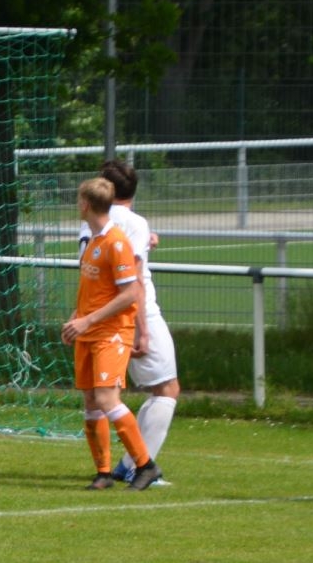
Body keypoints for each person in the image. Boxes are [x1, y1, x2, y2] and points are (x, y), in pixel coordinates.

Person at [79, 161, 178, 485]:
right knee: (165, 388)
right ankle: (139, 465)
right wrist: (143, 330)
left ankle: (116, 468)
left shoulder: (92, 227)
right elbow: (132, 282)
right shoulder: (131, 226)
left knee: (98, 398)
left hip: (97, 316)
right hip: (131, 314)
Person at [66, 177, 161, 490]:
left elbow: (130, 292)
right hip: (89, 330)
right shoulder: (94, 240)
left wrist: (88, 320)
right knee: (91, 401)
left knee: (107, 398)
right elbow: (95, 290)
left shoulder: (116, 242)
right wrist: (76, 319)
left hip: (111, 332)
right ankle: (103, 472)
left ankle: (146, 465)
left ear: (85, 204)